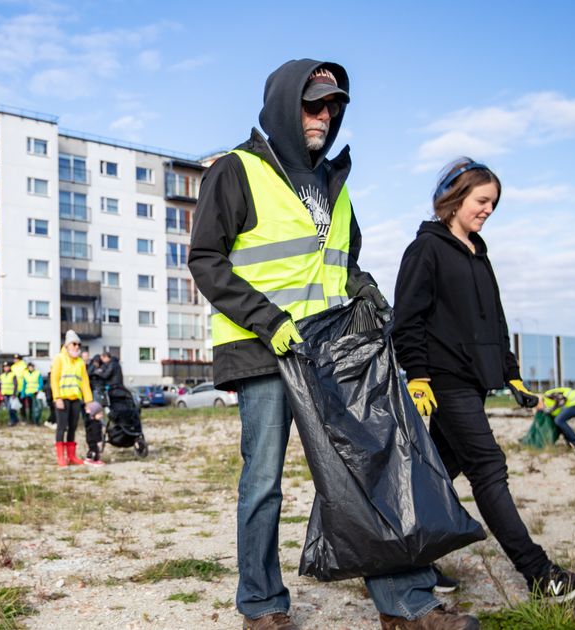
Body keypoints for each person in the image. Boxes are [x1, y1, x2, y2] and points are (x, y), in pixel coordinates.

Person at [188, 60, 466, 630]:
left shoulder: (334, 184)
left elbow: (346, 263)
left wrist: (369, 298)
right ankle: (263, 607)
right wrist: (267, 320)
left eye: (333, 105)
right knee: (263, 482)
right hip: (265, 349)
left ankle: (407, 605)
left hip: (333, 353)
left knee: (369, 468)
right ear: (285, 105)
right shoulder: (237, 171)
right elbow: (206, 260)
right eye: (313, 104)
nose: (324, 115)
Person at [392, 157, 575, 606]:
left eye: (494, 204)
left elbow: (495, 323)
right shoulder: (425, 250)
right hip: (443, 380)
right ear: (454, 195)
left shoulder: (478, 254)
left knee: (437, 475)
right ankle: (541, 575)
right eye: (482, 200)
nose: (488, 209)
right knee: (488, 468)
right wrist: (419, 376)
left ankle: (404, 560)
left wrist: (513, 374)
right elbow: (406, 320)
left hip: (475, 382)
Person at [50, 330, 94, 467]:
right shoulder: (59, 358)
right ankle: (61, 457)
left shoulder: (80, 362)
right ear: (67, 345)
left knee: (73, 428)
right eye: (74, 344)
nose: (77, 347)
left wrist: (88, 401)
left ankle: (71, 456)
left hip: (75, 400)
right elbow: (54, 379)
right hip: (62, 399)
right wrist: (57, 398)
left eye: (78, 345)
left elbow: (85, 382)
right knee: (61, 428)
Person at [537, 387, 575, 452]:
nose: (538, 409)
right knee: (559, 421)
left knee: (559, 420)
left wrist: (551, 409)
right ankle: (570, 443)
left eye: (537, 406)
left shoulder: (547, 395)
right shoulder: (549, 405)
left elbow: (561, 399)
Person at [10, 354, 29, 421]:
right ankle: (16, 418)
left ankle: (24, 418)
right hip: (15, 388)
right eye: (14, 359)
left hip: (22, 388)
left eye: (16, 359)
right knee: (15, 404)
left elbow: (26, 377)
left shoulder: (24, 366)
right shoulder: (13, 367)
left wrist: (24, 388)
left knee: (22, 404)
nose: (14, 360)